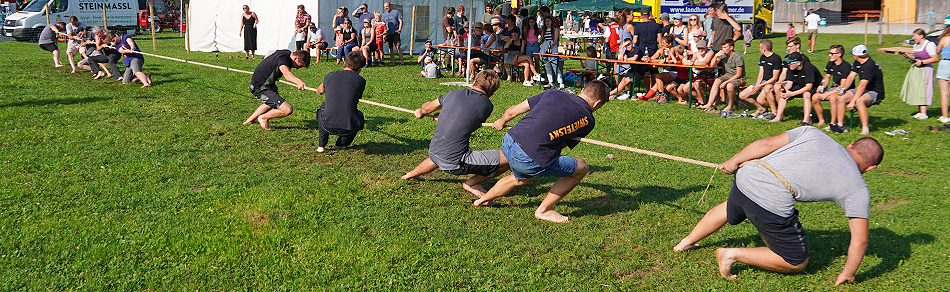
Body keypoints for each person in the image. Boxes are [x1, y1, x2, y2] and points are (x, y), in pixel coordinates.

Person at [673, 126, 883, 285]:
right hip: (768, 197)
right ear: (871, 167)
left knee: (731, 207)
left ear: (851, 145)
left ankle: (685, 243)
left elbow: (765, 144)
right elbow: (860, 239)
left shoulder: (813, 132)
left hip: (747, 175)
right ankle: (731, 254)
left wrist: (734, 160)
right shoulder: (858, 188)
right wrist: (848, 273)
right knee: (795, 262)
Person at [475, 81, 610, 223]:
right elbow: (560, 145)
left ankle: (483, 200)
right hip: (526, 157)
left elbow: (512, 111)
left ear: (583, 90)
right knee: (581, 168)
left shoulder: (553, 92)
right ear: (597, 103)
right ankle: (544, 210)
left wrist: (502, 121)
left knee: (521, 179)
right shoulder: (588, 120)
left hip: (509, 141)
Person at [401, 70, 507, 198]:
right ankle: (473, 184)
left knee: (442, 152)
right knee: (508, 157)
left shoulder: (454, 92)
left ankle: (410, 175)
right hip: (455, 162)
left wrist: (421, 111)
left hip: (434, 151)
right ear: (491, 94)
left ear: (474, 82)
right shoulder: (487, 106)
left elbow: (427, 108)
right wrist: (443, 117)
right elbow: (469, 126)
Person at [242, 49, 310, 130]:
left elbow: (270, 52)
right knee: (287, 109)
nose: (297, 68)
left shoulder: (286, 52)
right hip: (260, 87)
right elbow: (287, 74)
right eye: (299, 66)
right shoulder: (285, 60)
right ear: (295, 58)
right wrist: (299, 82)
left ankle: (249, 121)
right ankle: (263, 118)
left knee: (271, 102)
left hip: (265, 84)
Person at [315, 51, 366, 153]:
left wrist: (320, 90)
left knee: (323, 108)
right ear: (360, 69)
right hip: (348, 128)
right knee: (359, 115)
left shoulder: (330, 75)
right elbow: (355, 102)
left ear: (344, 62)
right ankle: (340, 144)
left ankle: (321, 146)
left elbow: (320, 90)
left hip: (326, 125)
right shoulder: (361, 80)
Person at [833, 45, 885, 135]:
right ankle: (840, 125)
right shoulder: (858, 62)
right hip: (864, 89)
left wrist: (852, 101)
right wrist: (844, 88)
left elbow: (862, 86)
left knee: (859, 101)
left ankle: (865, 129)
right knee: (842, 97)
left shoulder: (869, 66)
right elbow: (851, 76)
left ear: (856, 56)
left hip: (875, 92)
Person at [768, 52, 821, 124]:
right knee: (784, 94)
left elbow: (809, 87)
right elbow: (790, 82)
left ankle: (806, 120)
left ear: (798, 63)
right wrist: (786, 91)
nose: (788, 64)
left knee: (806, 94)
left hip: (815, 86)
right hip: (801, 84)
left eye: (791, 62)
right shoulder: (791, 68)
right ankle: (778, 117)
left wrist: (792, 94)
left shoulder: (809, 68)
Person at [900, 28, 940, 120]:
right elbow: (917, 57)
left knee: (924, 89)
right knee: (917, 89)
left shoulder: (929, 45)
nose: (913, 38)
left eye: (915, 36)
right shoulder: (916, 45)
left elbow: (935, 58)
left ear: (921, 36)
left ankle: (924, 113)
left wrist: (922, 62)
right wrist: (910, 57)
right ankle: (920, 111)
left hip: (926, 70)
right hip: (917, 69)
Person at [811, 44, 853, 128]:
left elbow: (843, 85)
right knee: (815, 97)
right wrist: (823, 87)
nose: (829, 55)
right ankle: (821, 120)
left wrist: (827, 94)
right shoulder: (831, 63)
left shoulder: (846, 66)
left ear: (839, 54)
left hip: (845, 90)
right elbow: (827, 77)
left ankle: (832, 124)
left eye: (832, 53)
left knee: (833, 99)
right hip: (834, 89)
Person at [699, 40, 744, 116]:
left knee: (729, 86)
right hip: (728, 75)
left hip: (739, 78)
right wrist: (716, 56)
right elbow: (712, 65)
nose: (723, 49)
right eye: (722, 47)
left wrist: (725, 82)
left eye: (725, 47)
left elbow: (738, 74)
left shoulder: (737, 57)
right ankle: (709, 104)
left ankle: (730, 106)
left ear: (731, 47)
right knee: (716, 81)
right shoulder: (724, 54)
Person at [738, 39, 781, 119]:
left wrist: (760, 85)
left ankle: (776, 110)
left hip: (771, 83)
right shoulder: (762, 57)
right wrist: (757, 85)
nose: (759, 49)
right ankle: (760, 108)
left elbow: (775, 78)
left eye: (760, 48)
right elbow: (761, 73)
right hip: (762, 82)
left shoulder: (776, 58)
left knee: (760, 100)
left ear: (764, 49)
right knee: (742, 95)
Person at [540, 16, 564, 89]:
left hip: (552, 47)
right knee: (547, 65)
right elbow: (542, 39)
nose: (547, 23)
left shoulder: (555, 29)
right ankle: (550, 82)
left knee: (554, 65)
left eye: (548, 21)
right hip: (545, 46)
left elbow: (555, 40)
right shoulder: (543, 30)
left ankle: (560, 82)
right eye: (546, 21)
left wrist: (550, 48)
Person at [936, 25, 950, 124]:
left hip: (945, 64)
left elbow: (937, 50)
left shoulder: (944, 39)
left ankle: (945, 116)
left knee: (944, 94)